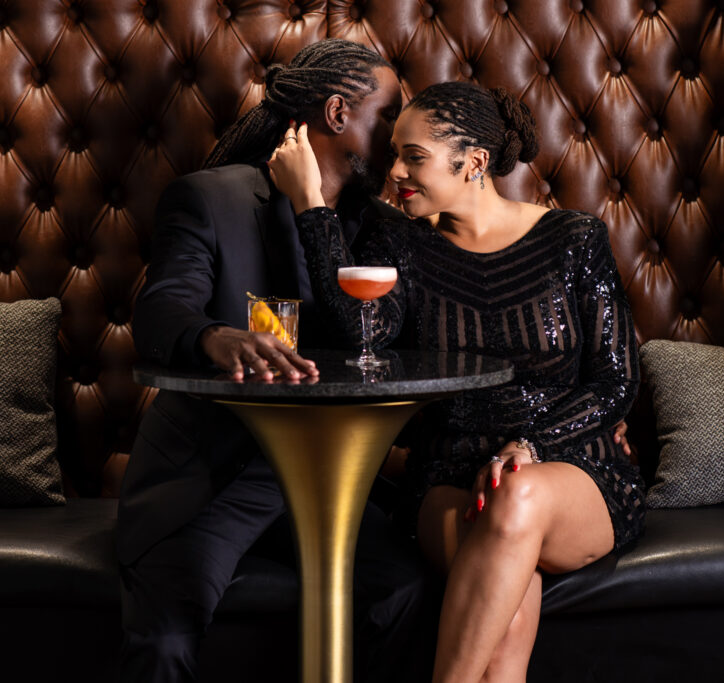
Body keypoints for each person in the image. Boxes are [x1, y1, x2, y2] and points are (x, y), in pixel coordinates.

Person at [268, 80, 646, 682]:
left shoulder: (574, 239)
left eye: (413, 157)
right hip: (447, 477)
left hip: (571, 468)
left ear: (473, 163)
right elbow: (361, 334)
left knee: (516, 495)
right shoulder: (403, 241)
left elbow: (614, 382)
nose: (395, 171)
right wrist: (312, 207)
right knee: (506, 591)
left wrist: (532, 447)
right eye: (395, 153)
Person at [116, 39, 429, 683]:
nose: (401, 133)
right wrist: (214, 338)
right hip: (217, 477)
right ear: (338, 114)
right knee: (168, 635)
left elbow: (382, 336)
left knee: (406, 590)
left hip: (325, 481)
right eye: (391, 112)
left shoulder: (384, 228)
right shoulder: (211, 199)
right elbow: (161, 311)